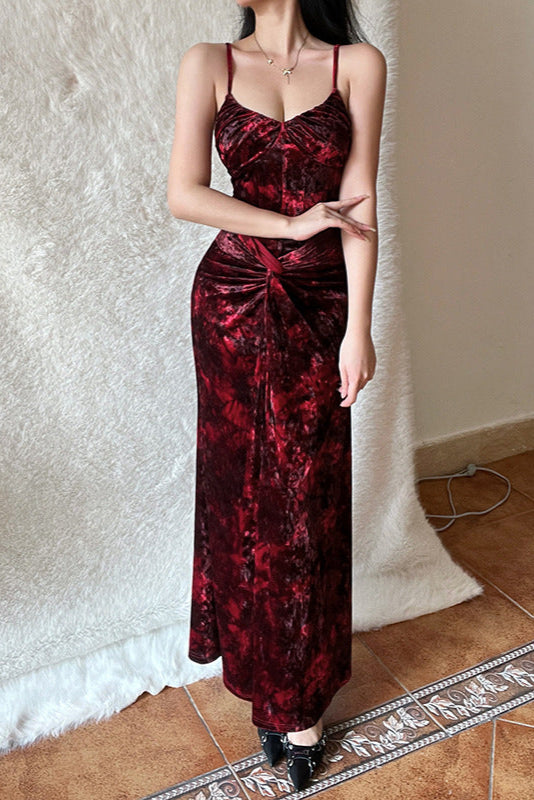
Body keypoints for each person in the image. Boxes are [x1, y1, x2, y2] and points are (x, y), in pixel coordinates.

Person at [167, 0, 386, 790]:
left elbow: (358, 203)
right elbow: (183, 193)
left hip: (323, 305)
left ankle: (303, 697)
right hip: (228, 300)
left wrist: (360, 328)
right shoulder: (209, 61)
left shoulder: (356, 67)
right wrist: (290, 228)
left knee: (309, 498)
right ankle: (266, 689)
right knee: (242, 495)